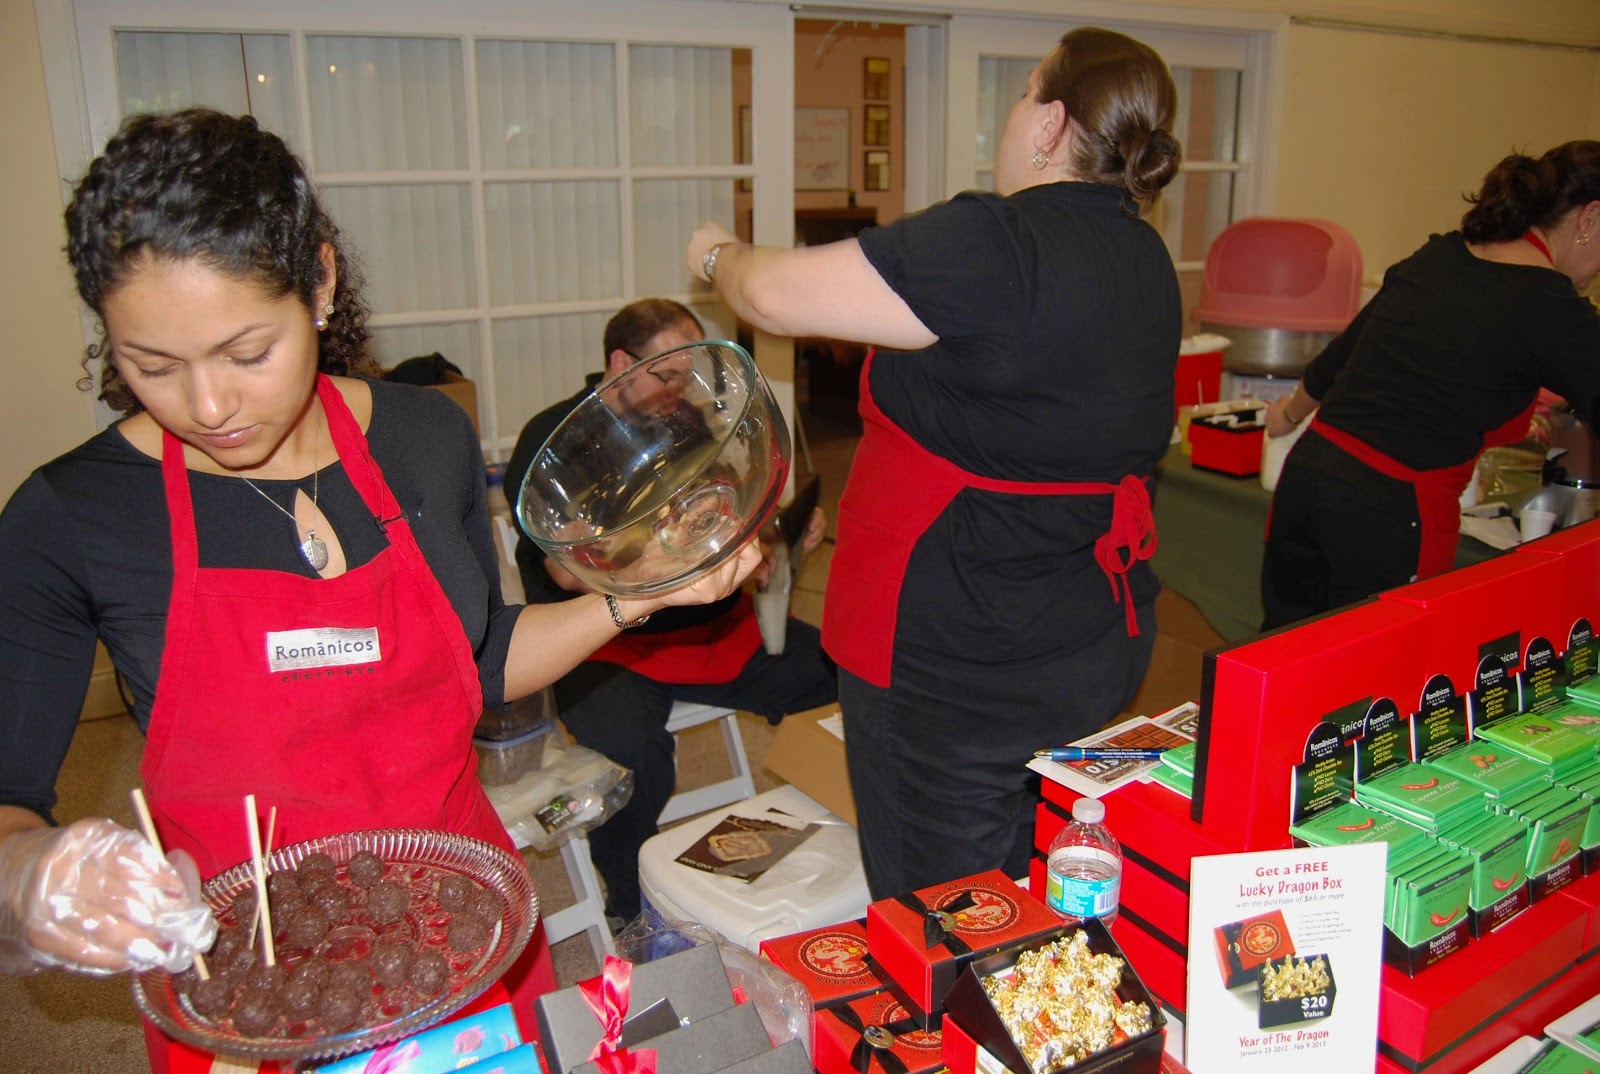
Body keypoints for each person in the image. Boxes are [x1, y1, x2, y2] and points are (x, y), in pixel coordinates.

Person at [0, 109, 757, 1071]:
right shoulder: (74, 515)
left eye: (244, 353)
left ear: (317, 283)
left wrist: (637, 595)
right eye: (152, 365)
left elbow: (475, 662)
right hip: (248, 984)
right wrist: (32, 875)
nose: (207, 406)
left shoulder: (422, 441)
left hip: (464, 936)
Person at [686, 27, 1183, 899]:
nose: (1015, 114)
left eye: (1026, 92)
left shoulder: (997, 243)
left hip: (958, 651)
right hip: (1085, 628)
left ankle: (960, 1024)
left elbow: (770, 293)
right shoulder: (1143, 256)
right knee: (1036, 858)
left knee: (945, 912)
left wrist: (715, 253)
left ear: (1050, 123)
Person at [505, 298, 837, 922]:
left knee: (844, 667)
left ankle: (835, 854)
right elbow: (561, 570)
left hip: (710, 625)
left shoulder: (686, 422)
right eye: (667, 374)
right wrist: (631, 553)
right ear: (620, 362)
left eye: (688, 372)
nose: (681, 389)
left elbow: (724, 516)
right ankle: (634, 916)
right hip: (605, 642)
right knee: (632, 763)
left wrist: (774, 537)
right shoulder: (554, 441)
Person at [1260, 141, 1600, 630]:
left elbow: (1347, 347)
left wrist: (1288, 414)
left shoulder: (1443, 255)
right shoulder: (1550, 304)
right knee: (1384, 682)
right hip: (1391, 510)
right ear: (1589, 218)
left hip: (1309, 476)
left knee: (1283, 654)